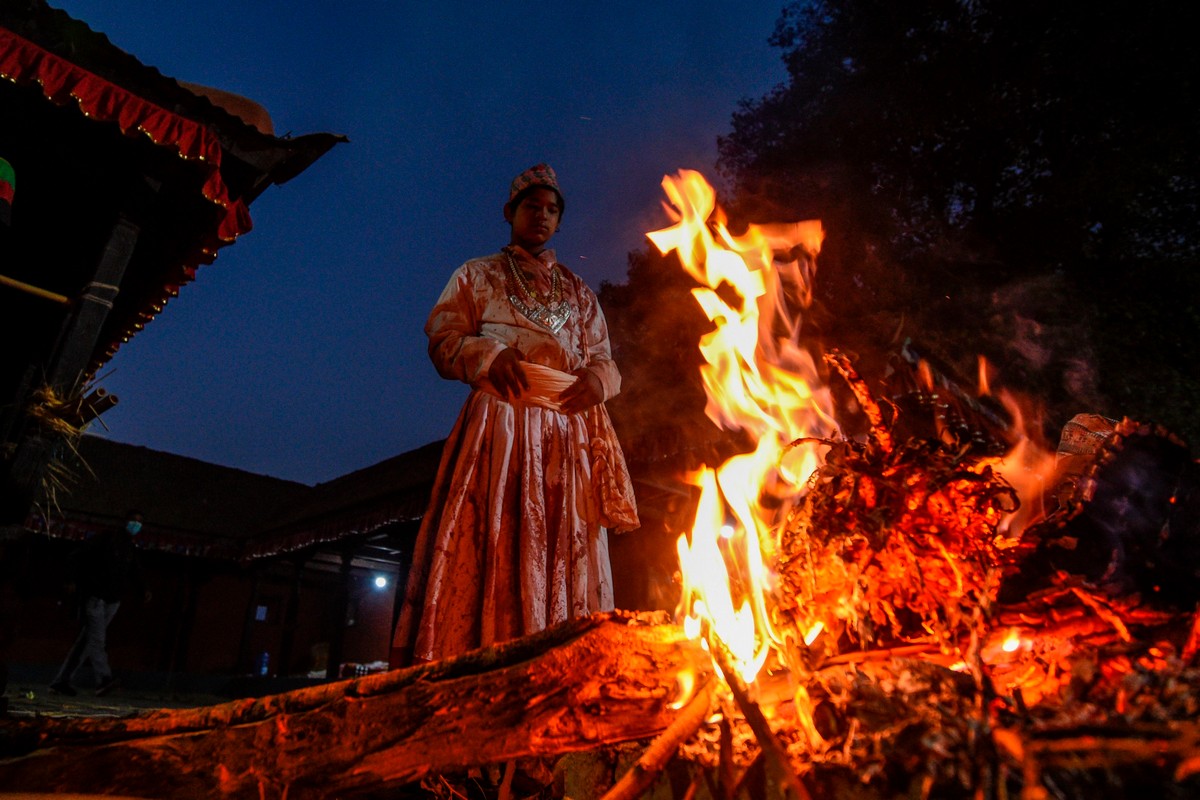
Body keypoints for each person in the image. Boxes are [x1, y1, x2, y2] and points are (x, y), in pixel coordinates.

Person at [391, 164, 639, 666]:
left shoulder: (580, 294)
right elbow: (443, 339)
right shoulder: (475, 274)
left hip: (568, 433)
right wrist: (486, 352)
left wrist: (599, 381)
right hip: (501, 422)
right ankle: (487, 657)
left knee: (568, 543)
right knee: (498, 534)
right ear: (510, 213)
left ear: (560, 222)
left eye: (552, 210)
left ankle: (564, 662)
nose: (541, 216)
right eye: (532, 207)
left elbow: (604, 359)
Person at [49, 510, 150, 696]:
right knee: (96, 639)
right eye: (133, 521)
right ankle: (104, 679)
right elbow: (77, 556)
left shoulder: (129, 548)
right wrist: (71, 579)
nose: (136, 525)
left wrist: (143, 589)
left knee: (87, 642)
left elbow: (135, 571)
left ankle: (61, 681)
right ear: (124, 521)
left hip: (112, 600)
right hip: (96, 596)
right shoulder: (106, 539)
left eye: (139, 523)